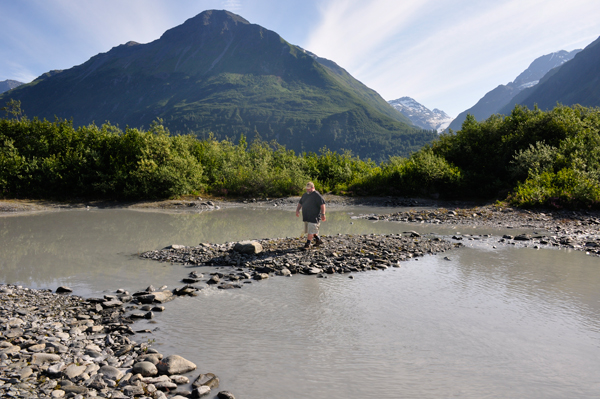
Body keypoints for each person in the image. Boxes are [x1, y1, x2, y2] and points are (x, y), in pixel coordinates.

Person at [296, 182, 326, 249]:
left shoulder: (317, 195)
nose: (307, 190)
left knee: (311, 231)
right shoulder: (305, 195)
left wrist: (323, 214)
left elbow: (322, 205)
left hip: (314, 216)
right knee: (311, 230)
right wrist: (297, 210)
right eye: (307, 189)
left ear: (313, 188)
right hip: (306, 216)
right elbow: (300, 203)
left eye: (309, 189)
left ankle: (307, 244)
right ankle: (318, 240)